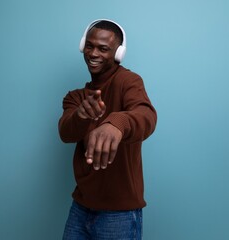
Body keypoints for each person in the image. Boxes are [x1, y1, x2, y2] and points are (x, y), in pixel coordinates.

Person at [58, 19, 157, 239]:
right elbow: (65, 132)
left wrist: (116, 123)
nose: (94, 53)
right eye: (90, 46)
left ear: (118, 53)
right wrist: (81, 116)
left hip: (119, 214)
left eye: (103, 49)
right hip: (80, 207)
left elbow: (146, 114)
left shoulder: (129, 81)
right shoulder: (75, 97)